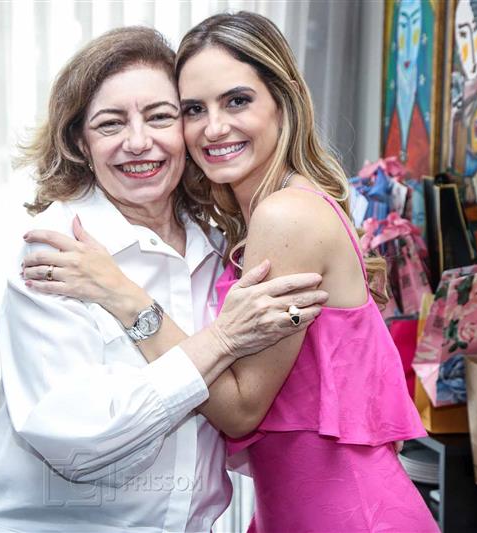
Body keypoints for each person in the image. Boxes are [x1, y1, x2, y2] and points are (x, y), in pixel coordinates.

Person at [22, 13, 439, 533]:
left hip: (349, 515)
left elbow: (240, 409)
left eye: (237, 101)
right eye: (193, 109)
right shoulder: (237, 227)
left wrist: (124, 295)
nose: (213, 128)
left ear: (284, 102)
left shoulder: (286, 216)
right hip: (296, 511)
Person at [0, 26, 328, 533]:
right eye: (110, 124)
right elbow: (79, 444)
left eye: (161, 116)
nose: (138, 143)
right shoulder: (58, 250)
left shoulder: (219, 247)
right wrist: (221, 340)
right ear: (80, 142)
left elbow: (246, 417)